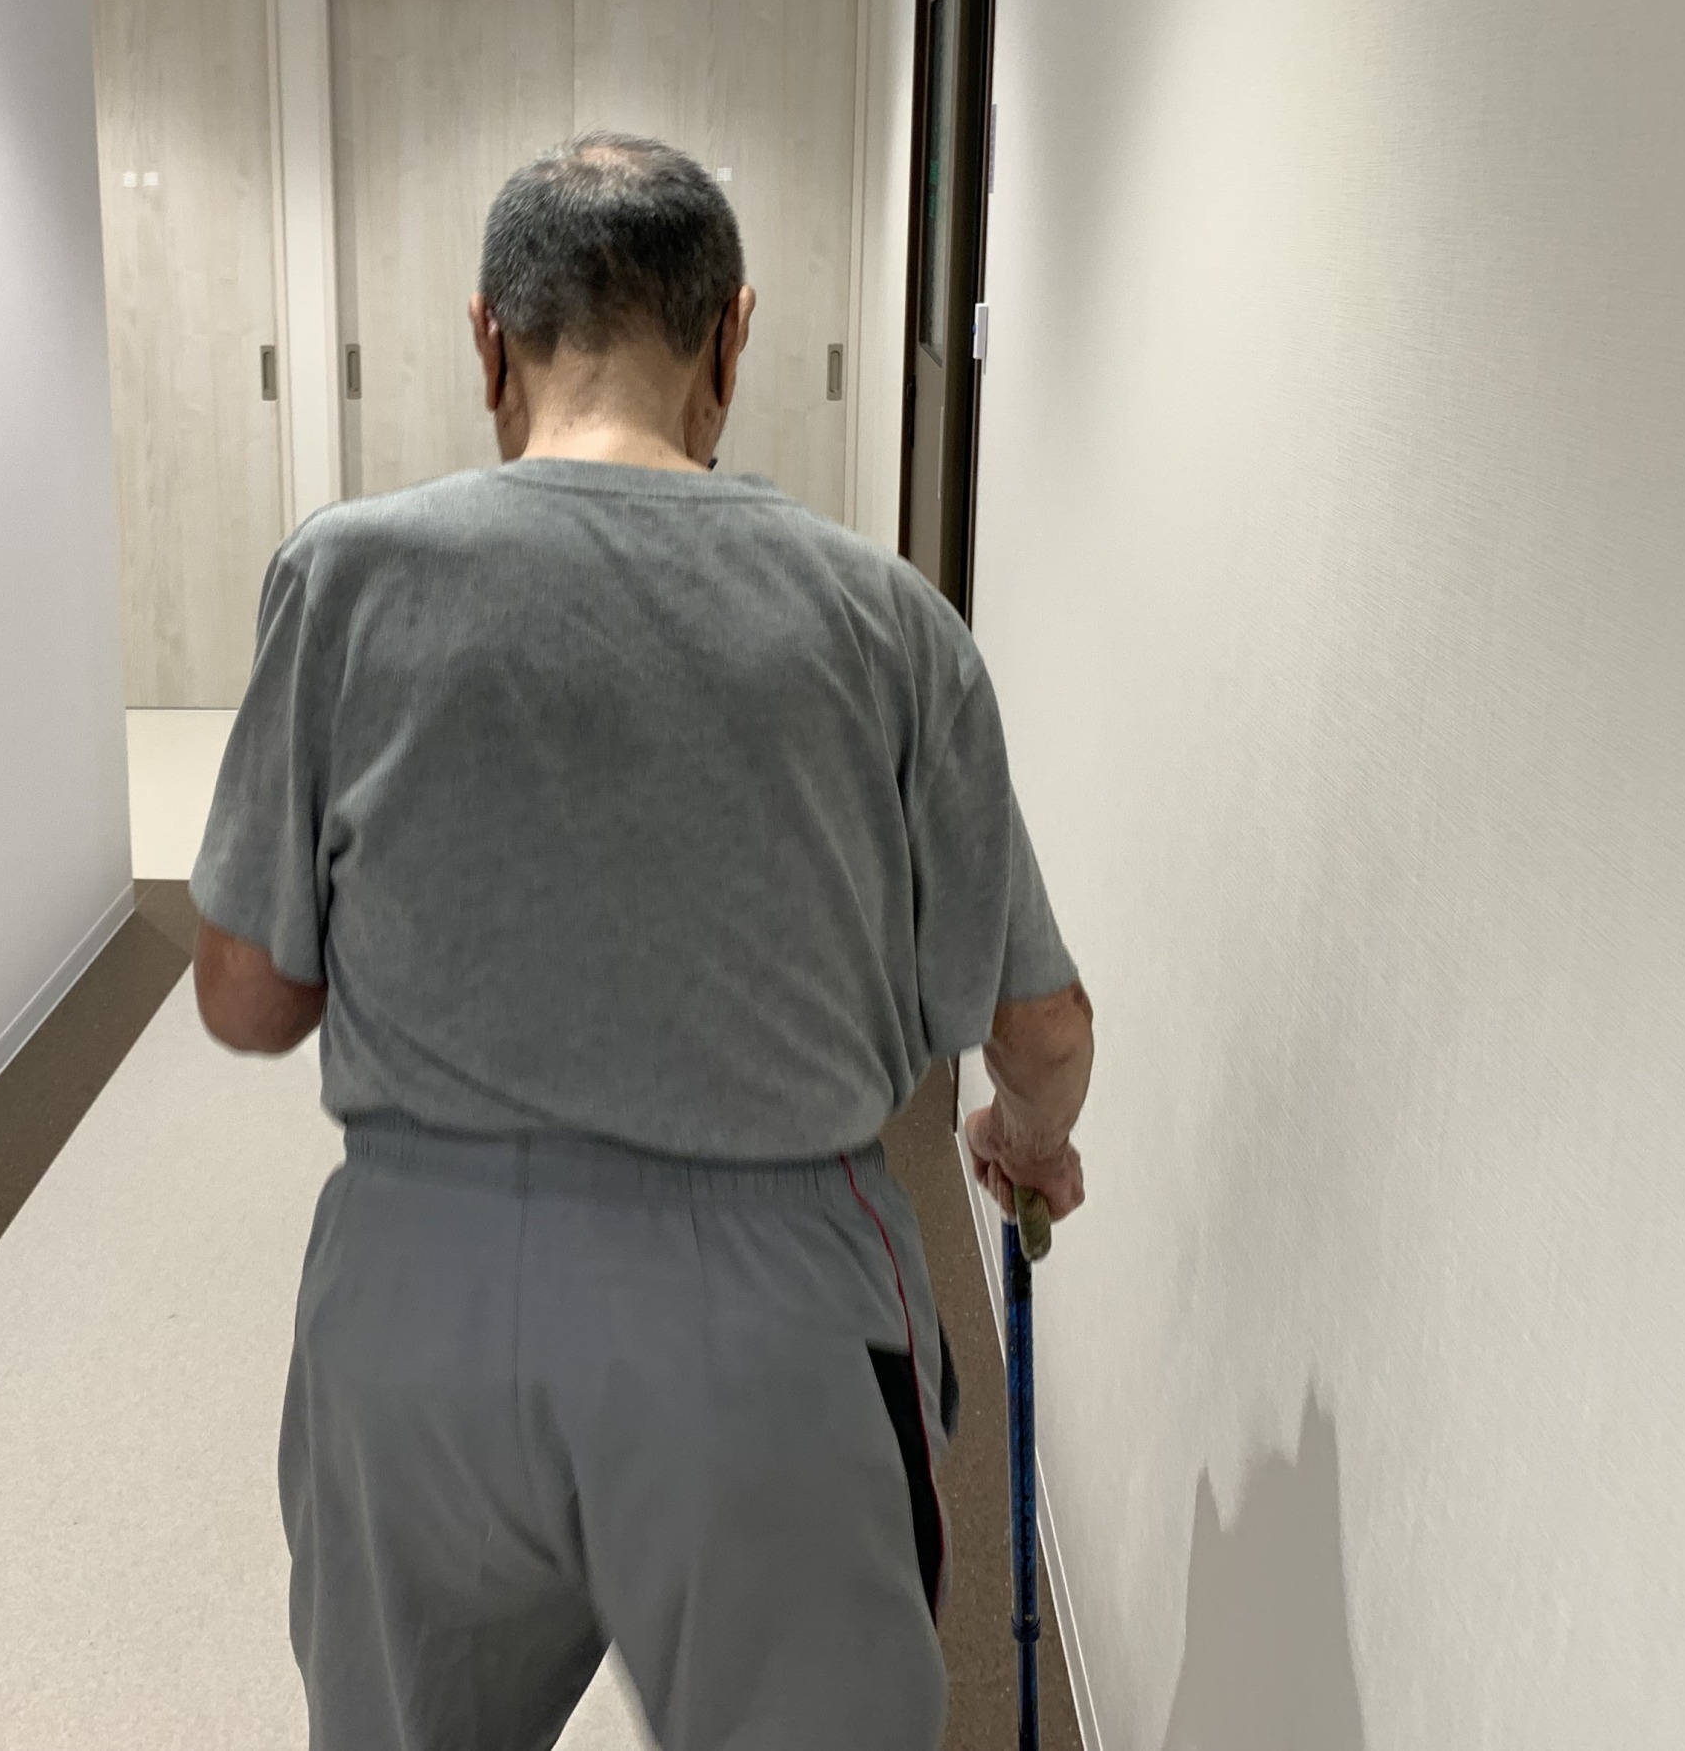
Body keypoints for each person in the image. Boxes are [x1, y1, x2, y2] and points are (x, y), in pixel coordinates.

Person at [189, 131, 1096, 1751]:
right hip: (773, 1317)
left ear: (489, 343)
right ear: (731, 341)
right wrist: (1028, 1140)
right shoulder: (888, 622)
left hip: (417, 1303)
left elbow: (251, 996)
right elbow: (1041, 1026)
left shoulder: (343, 578)